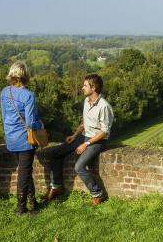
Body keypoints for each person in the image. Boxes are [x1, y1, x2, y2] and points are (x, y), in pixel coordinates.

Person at [43, 73, 114, 206]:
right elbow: (84, 122)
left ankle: (98, 194)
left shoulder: (104, 106)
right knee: (55, 153)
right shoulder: (87, 101)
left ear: (93, 88)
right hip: (84, 136)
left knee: (79, 166)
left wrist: (86, 143)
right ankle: (57, 186)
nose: (82, 88)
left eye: (85, 85)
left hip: (98, 141)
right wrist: (75, 135)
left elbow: (104, 132)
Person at [0, 61, 44, 215]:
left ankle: (33, 202)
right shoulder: (29, 95)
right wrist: (41, 124)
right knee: (24, 173)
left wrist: (8, 134)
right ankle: (21, 208)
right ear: (26, 76)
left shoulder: (5, 92)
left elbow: (4, 117)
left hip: (11, 138)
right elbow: (31, 122)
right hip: (25, 140)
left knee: (26, 170)